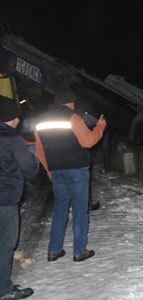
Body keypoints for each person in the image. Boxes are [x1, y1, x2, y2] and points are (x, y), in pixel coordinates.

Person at [34, 88, 107, 262]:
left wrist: (49, 170)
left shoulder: (40, 122)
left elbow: (40, 150)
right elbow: (88, 141)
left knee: (60, 210)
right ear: (70, 103)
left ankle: (54, 250)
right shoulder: (73, 118)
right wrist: (100, 127)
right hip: (76, 170)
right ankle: (79, 251)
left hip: (57, 171)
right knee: (80, 211)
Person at [0, 96, 38, 299]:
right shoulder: (12, 139)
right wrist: (33, 158)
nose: (18, 120)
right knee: (4, 245)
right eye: (16, 117)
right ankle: (3, 290)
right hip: (4, 200)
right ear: (10, 117)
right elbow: (29, 169)